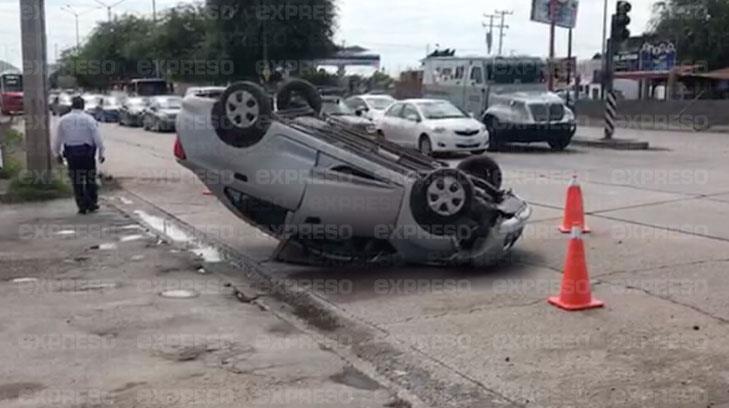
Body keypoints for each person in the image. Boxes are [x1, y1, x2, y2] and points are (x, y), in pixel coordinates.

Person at [53, 96, 106, 214]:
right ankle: (91, 203)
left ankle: (82, 205)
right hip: (87, 154)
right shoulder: (89, 119)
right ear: (83, 106)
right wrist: (101, 153)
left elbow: (57, 139)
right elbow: (97, 138)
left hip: (72, 154)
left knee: (77, 181)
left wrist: (57, 154)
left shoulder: (63, 120)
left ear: (72, 106)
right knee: (90, 179)